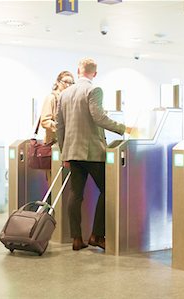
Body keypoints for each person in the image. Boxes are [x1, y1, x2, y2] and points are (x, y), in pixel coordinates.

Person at [56, 58, 132, 251]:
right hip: (91, 151)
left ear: (78, 71)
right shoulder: (94, 90)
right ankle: (97, 235)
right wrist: (124, 128)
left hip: (72, 152)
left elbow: (60, 126)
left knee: (76, 194)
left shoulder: (64, 94)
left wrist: (65, 152)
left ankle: (76, 239)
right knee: (108, 189)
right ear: (94, 74)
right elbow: (98, 117)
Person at [40, 71, 75, 144]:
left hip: (67, 142)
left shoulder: (70, 100)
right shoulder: (51, 98)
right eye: (65, 82)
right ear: (58, 82)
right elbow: (44, 121)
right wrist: (60, 127)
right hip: (53, 142)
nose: (68, 85)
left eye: (71, 83)